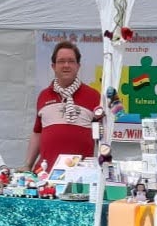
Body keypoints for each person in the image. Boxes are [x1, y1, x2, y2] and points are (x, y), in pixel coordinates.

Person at [24, 41, 102, 172]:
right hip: (45, 174)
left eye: (71, 61)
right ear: (53, 66)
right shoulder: (44, 95)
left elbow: (102, 137)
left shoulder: (94, 96)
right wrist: (27, 165)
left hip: (80, 176)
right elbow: (37, 133)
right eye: (61, 61)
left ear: (78, 66)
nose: (66, 65)